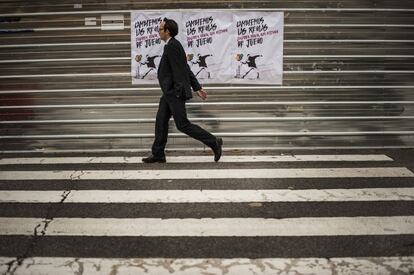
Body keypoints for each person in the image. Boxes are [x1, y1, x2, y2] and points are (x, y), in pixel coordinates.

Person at [142, 18, 223, 163]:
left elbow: (182, 70)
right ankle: (158, 153)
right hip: (169, 93)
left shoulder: (172, 46)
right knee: (161, 121)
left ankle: (214, 142)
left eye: (160, 29)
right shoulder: (171, 45)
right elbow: (185, 68)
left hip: (174, 92)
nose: (158, 32)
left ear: (168, 31)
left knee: (182, 124)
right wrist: (197, 87)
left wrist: (187, 89)